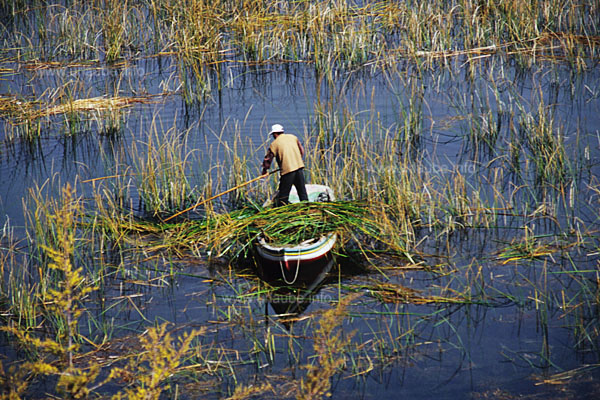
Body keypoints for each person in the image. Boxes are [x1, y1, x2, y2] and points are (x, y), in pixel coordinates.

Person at [261, 123, 309, 206]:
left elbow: (268, 159)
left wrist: (265, 170)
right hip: (299, 167)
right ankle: (307, 207)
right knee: (302, 191)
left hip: (288, 170)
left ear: (275, 134)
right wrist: (296, 160)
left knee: (284, 194)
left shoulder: (274, 144)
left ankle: (283, 211)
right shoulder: (293, 137)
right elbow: (301, 150)